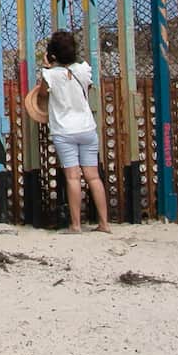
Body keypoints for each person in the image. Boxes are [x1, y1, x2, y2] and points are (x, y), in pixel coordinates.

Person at [24, 30, 111, 234]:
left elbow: (43, 93)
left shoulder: (50, 75)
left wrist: (48, 66)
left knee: (72, 177)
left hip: (64, 130)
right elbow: (87, 87)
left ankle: (75, 224)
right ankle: (104, 223)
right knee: (93, 176)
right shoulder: (83, 70)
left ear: (52, 54)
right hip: (87, 127)